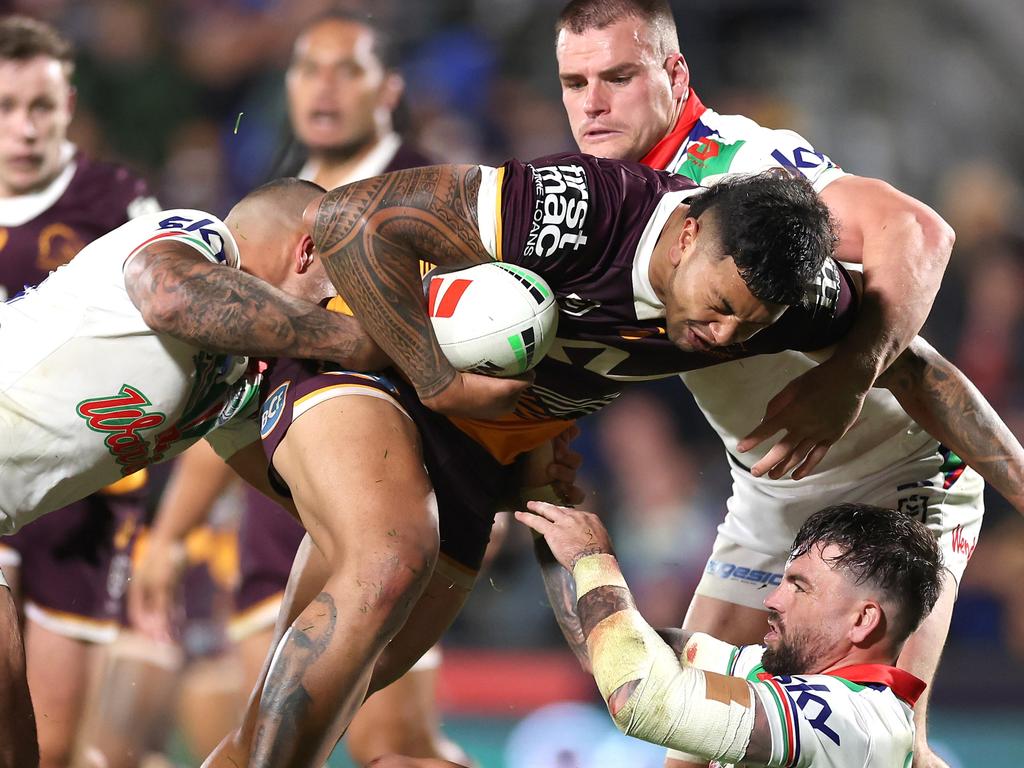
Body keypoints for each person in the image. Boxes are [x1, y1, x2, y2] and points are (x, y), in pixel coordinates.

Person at [202, 159, 855, 767]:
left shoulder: (795, 297)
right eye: (716, 307)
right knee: (390, 560)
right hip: (381, 373)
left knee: (307, 708)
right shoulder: (588, 210)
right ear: (688, 236)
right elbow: (346, 218)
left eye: (747, 328)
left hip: (481, 462)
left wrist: (849, 378)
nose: (723, 337)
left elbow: (903, 339)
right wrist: (437, 378)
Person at [549, 3, 1016, 765]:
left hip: (901, 469)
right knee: (686, 744)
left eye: (619, 77)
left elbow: (920, 231)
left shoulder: (742, 165)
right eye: (574, 82)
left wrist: (847, 377)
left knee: (887, 748)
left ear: (674, 74)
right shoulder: (598, 196)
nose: (592, 103)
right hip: (772, 490)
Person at [132, 11, 473, 765]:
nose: (324, 86)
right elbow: (227, 382)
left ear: (388, 88)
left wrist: (493, 468)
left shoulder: (431, 195)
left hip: (397, 497)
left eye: (345, 69)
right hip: (276, 512)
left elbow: (487, 336)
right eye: (306, 69)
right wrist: (172, 532)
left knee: (390, 745)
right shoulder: (266, 199)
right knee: (266, 738)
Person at [0, 176, 385, 768]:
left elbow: (309, 505)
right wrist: (356, 340)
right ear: (306, 249)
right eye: (335, 285)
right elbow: (171, 297)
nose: (333, 303)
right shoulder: (198, 238)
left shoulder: (230, 379)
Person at [367, 500, 945, 768]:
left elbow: (639, 699)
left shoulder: (857, 724)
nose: (771, 599)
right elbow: (616, 652)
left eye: (800, 587)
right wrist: (554, 535)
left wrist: (596, 561)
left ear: (864, 620)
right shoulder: (771, 678)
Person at [0, 15, 162, 768]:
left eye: (41, 107)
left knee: (54, 747)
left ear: (69, 104)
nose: (25, 128)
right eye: (5, 107)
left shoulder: (117, 204)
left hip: (84, 501)